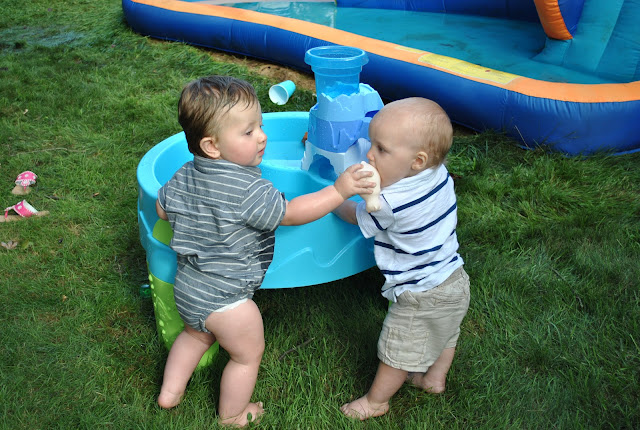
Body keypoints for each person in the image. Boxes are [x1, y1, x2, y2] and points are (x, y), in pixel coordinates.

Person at [155, 75, 374, 427]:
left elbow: (162, 209)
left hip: (189, 287)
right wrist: (338, 190)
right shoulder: (249, 190)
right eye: (248, 132)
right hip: (229, 300)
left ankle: (170, 392)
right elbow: (293, 213)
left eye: (260, 125)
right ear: (212, 145)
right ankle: (233, 415)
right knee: (246, 355)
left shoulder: (183, 173)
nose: (262, 136)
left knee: (194, 335)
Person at [334, 97, 470, 420]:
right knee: (445, 332)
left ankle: (376, 402)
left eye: (381, 149)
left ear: (417, 161)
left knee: (397, 351)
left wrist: (335, 198)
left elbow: (356, 216)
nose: (369, 154)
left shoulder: (391, 203)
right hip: (454, 278)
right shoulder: (438, 174)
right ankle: (433, 379)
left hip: (420, 292)